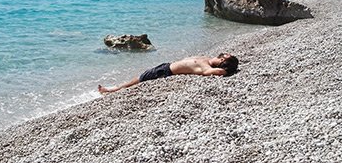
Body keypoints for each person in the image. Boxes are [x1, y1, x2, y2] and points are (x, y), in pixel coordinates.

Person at [98, 53, 239, 93]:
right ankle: (115, 88)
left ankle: (113, 90)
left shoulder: (206, 67)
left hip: (165, 71)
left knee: (140, 78)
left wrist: (227, 69)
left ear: (221, 62)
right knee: (140, 77)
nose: (223, 54)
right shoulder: (207, 59)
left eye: (224, 57)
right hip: (166, 66)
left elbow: (218, 72)